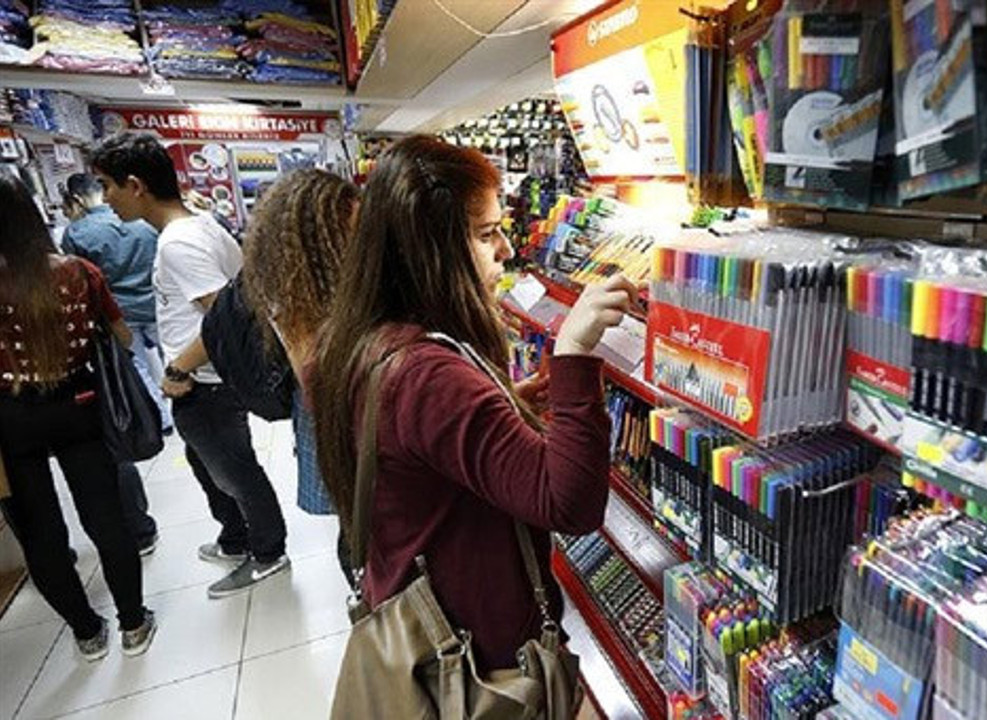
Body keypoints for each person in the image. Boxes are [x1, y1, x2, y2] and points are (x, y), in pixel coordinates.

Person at [310, 136, 635, 675]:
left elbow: (418, 449)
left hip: (424, 622)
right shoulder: (428, 375)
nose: (505, 249)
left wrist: (500, 410)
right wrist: (574, 352)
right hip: (476, 662)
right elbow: (570, 504)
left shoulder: (366, 340)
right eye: (486, 234)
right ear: (430, 249)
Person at [89, 133, 289, 599]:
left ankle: (268, 551)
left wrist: (179, 368)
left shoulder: (180, 242)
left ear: (135, 185)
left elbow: (225, 318)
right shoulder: (199, 226)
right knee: (208, 463)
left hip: (208, 382)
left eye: (107, 186)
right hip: (209, 380)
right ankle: (236, 538)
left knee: (234, 471)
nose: (106, 199)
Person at [0, 175, 157, 661]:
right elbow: (123, 337)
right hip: (78, 403)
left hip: (11, 415)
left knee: (40, 533)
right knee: (105, 516)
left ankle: (87, 632)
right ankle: (133, 623)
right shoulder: (77, 272)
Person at [238, 169, 360, 585]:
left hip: (344, 421)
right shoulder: (299, 299)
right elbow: (318, 380)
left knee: (359, 523)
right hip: (343, 423)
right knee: (359, 527)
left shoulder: (292, 286)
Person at [60, 172, 164, 556]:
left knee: (134, 372)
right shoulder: (140, 222)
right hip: (155, 301)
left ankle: (152, 419)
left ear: (75, 198)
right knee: (166, 360)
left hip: (119, 311)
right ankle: (164, 414)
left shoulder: (77, 235)